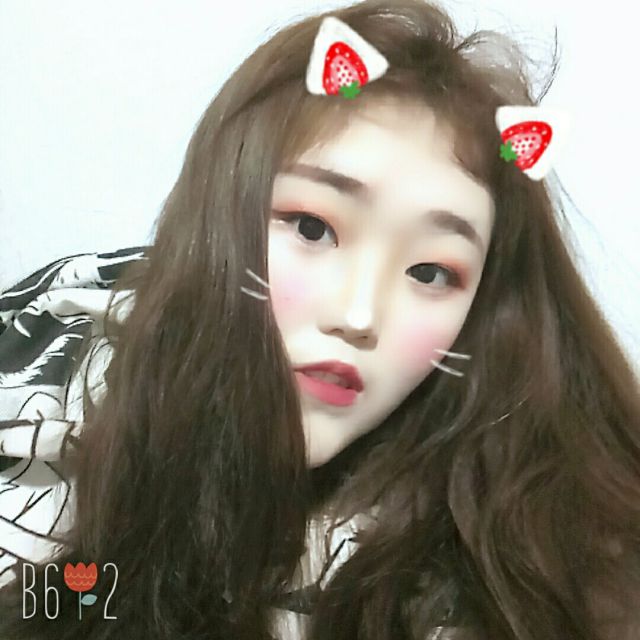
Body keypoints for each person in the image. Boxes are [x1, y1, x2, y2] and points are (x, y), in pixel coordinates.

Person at [1, 0, 639, 638]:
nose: (357, 316)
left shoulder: (535, 559)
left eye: (430, 272)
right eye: (312, 228)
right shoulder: (47, 365)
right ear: (223, 211)